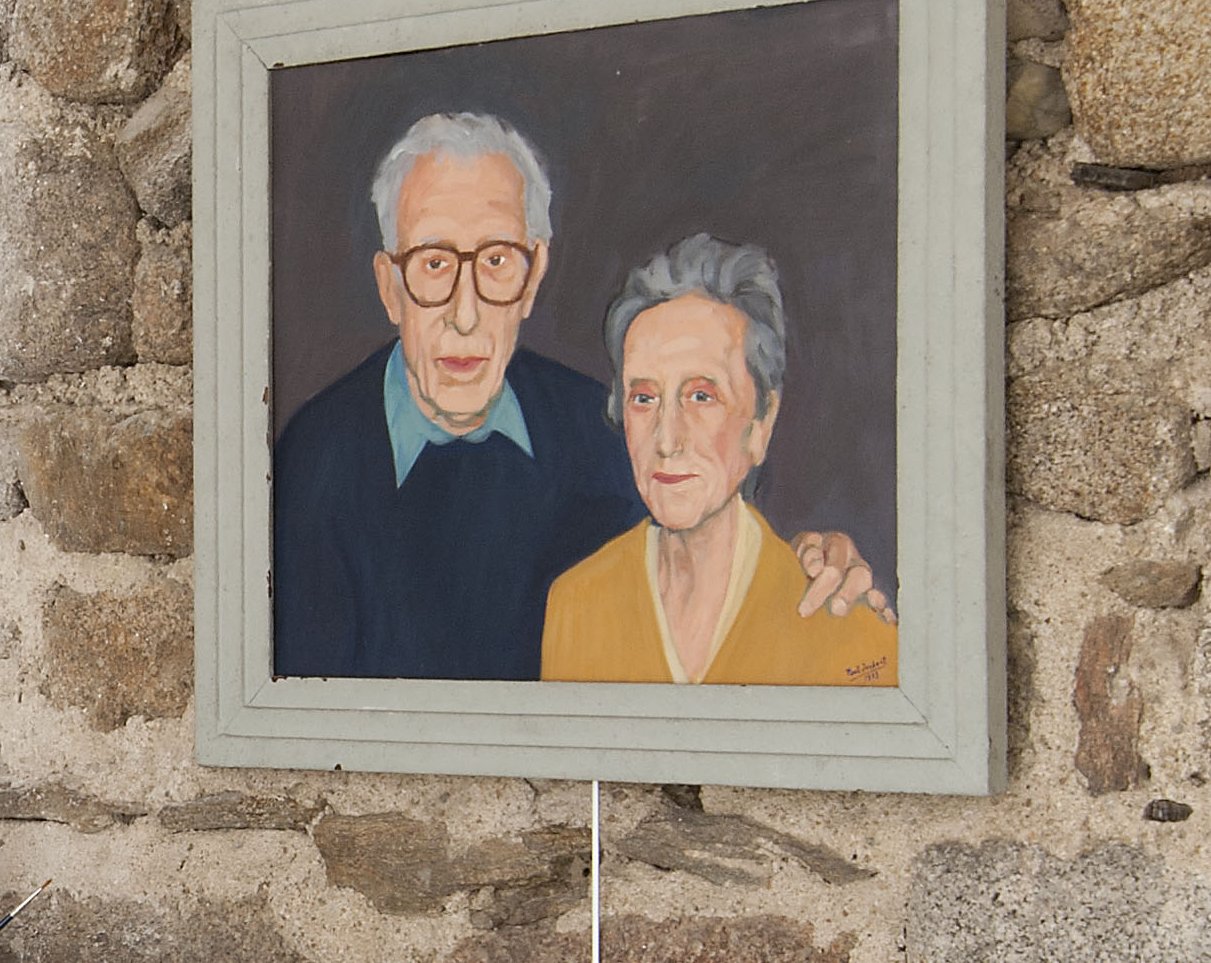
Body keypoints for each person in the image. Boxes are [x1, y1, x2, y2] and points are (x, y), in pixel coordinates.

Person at [270, 112, 882, 679]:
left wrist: (809, 563)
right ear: (389, 286)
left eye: (497, 261)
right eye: (433, 263)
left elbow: (707, 540)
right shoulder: (313, 465)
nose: (465, 312)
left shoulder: (608, 434)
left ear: (533, 277)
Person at [541, 236, 900, 688]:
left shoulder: (845, 621)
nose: (666, 440)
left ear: (761, 422)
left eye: (701, 396)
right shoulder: (577, 604)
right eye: (644, 398)